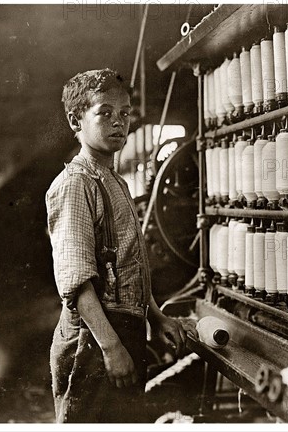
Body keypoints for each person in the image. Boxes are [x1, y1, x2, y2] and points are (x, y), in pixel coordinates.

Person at [46, 68, 187, 423]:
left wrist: (156, 316)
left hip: (122, 329)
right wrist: (111, 349)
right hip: (92, 338)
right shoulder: (76, 184)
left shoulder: (114, 182)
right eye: (105, 113)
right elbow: (76, 282)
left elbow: (127, 264)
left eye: (124, 113)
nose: (118, 122)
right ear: (76, 120)